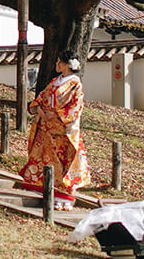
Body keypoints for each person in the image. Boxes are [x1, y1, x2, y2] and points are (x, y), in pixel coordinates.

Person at [19, 50, 91, 210]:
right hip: (46, 127)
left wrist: (56, 114)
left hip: (62, 130)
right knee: (43, 159)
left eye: (59, 61)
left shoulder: (75, 84)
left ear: (66, 64)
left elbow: (76, 107)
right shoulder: (55, 81)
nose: (56, 64)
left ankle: (63, 196)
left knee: (62, 162)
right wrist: (39, 109)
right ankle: (46, 190)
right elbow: (41, 97)